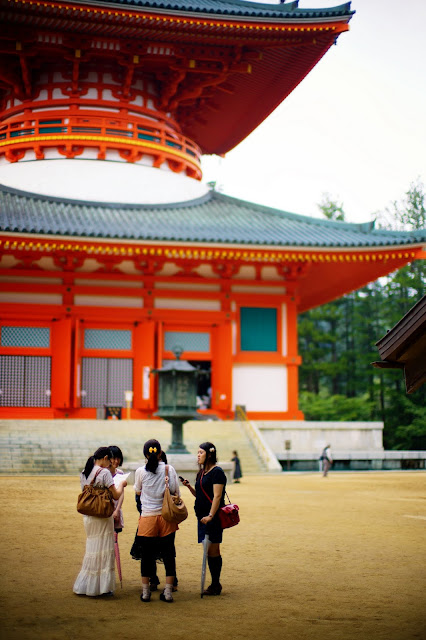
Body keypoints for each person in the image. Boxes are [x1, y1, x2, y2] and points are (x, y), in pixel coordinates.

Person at [74, 446, 127, 597]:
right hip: (102, 516)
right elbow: (115, 495)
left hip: (89, 516)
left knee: (92, 548)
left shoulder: (84, 472)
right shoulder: (104, 473)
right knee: (104, 548)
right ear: (104, 458)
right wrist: (122, 485)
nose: (110, 463)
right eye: (109, 460)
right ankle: (102, 587)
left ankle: (86, 585)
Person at [134, 439, 180, 603]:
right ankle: (167, 592)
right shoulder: (168, 469)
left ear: (145, 454)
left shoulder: (140, 471)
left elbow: (138, 491)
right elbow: (175, 491)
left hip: (147, 517)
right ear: (160, 453)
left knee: (146, 556)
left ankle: (146, 592)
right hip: (166, 517)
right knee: (168, 554)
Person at [181, 441, 226, 596]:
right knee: (207, 550)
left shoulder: (217, 472)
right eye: (198, 452)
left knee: (213, 550)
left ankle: (216, 584)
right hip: (201, 517)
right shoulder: (201, 473)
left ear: (210, 455)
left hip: (212, 517)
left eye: (201, 452)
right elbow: (200, 495)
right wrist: (189, 487)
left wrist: (211, 516)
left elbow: (217, 496)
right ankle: (214, 583)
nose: (198, 455)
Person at [109, 445, 125, 534]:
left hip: (116, 509)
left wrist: (117, 510)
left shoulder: (120, 473)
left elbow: (122, 494)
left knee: (115, 536)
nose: (116, 461)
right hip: (105, 509)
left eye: (118, 458)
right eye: (114, 458)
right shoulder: (104, 474)